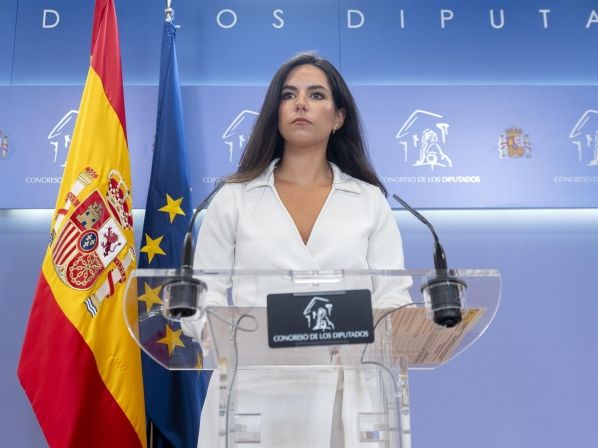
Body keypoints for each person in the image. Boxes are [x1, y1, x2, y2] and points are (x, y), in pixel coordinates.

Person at [189, 51, 411, 447]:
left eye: (316, 95)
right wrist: (212, 332)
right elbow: (202, 292)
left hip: (347, 396)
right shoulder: (234, 197)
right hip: (256, 395)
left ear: (338, 117)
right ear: (275, 112)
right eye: (289, 95)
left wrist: (398, 331)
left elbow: (392, 297)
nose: (301, 103)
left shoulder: (368, 200)